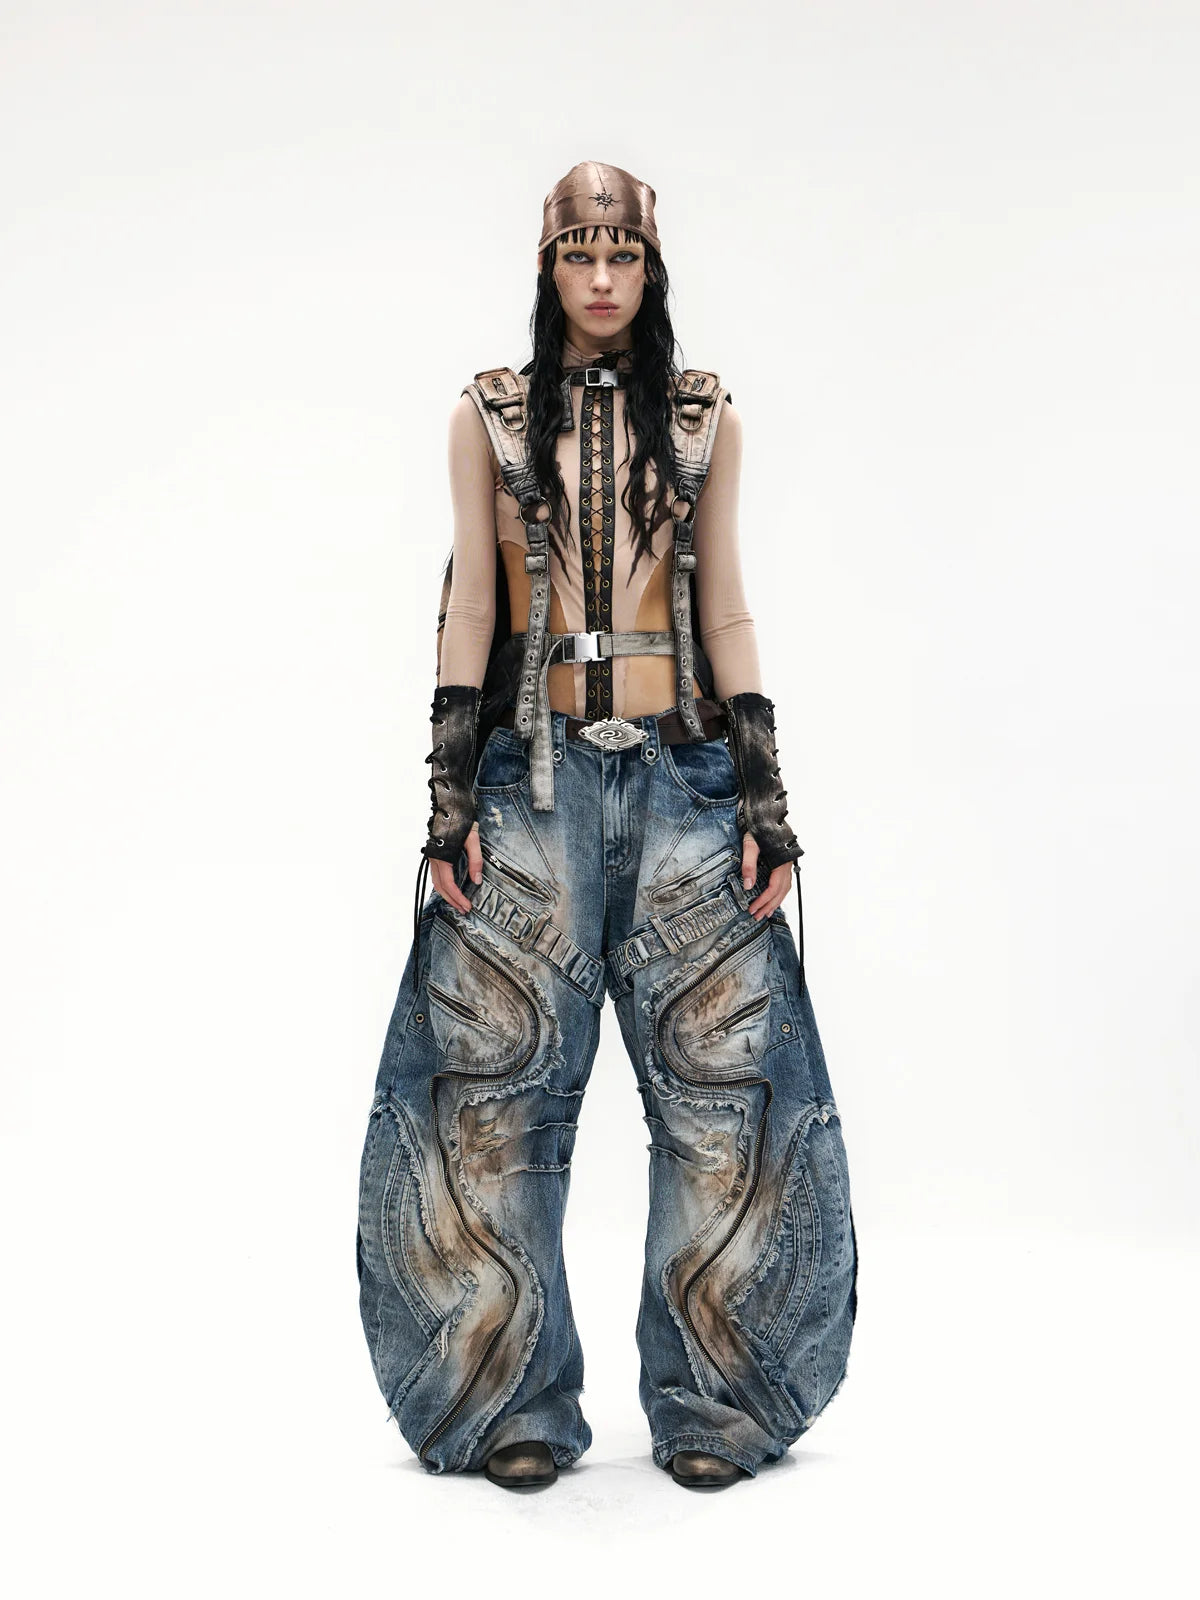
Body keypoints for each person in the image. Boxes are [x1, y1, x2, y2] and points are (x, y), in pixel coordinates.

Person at [356, 160, 857, 1491]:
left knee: (726, 1096)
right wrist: (447, 794)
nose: (599, 279)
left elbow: (726, 605)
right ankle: (504, 1404)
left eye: (620, 256)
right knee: (490, 1096)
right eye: (578, 255)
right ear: (548, 268)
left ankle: (720, 1405)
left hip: (684, 783)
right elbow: (471, 603)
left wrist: (764, 795)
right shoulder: (488, 415)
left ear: (650, 269)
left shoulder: (704, 420)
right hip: (528, 790)